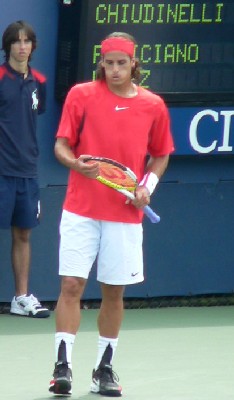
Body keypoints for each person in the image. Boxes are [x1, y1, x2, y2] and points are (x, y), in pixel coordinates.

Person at [49, 32, 174, 396]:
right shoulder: (81, 95)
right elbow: (61, 144)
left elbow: (161, 154)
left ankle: (104, 369)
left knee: (113, 292)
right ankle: (62, 368)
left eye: (122, 63)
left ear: (133, 64)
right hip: (80, 209)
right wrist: (76, 164)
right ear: (100, 64)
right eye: (109, 63)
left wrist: (145, 187)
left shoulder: (153, 105)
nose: (115, 70)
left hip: (124, 216)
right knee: (71, 285)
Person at [0, 21, 50, 318]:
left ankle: (20, 298)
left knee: (23, 234)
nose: (22, 46)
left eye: (26, 41)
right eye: (16, 41)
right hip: (0, 171)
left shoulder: (39, 82)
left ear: (32, 46)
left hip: (27, 172)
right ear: (8, 46)